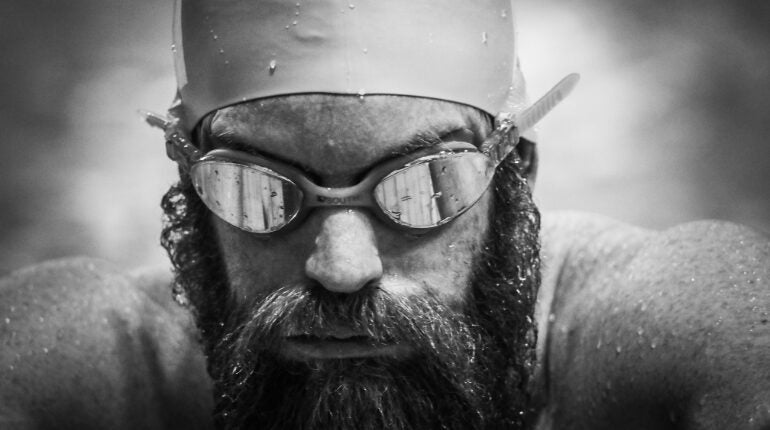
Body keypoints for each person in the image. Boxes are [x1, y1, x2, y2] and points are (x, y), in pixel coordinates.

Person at [1, 0, 768, 428]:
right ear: (189, 191)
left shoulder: (671, 338)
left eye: (422, 187)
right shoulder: (92, 375)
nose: (341, 267)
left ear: (517, 176)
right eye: (259, 190)